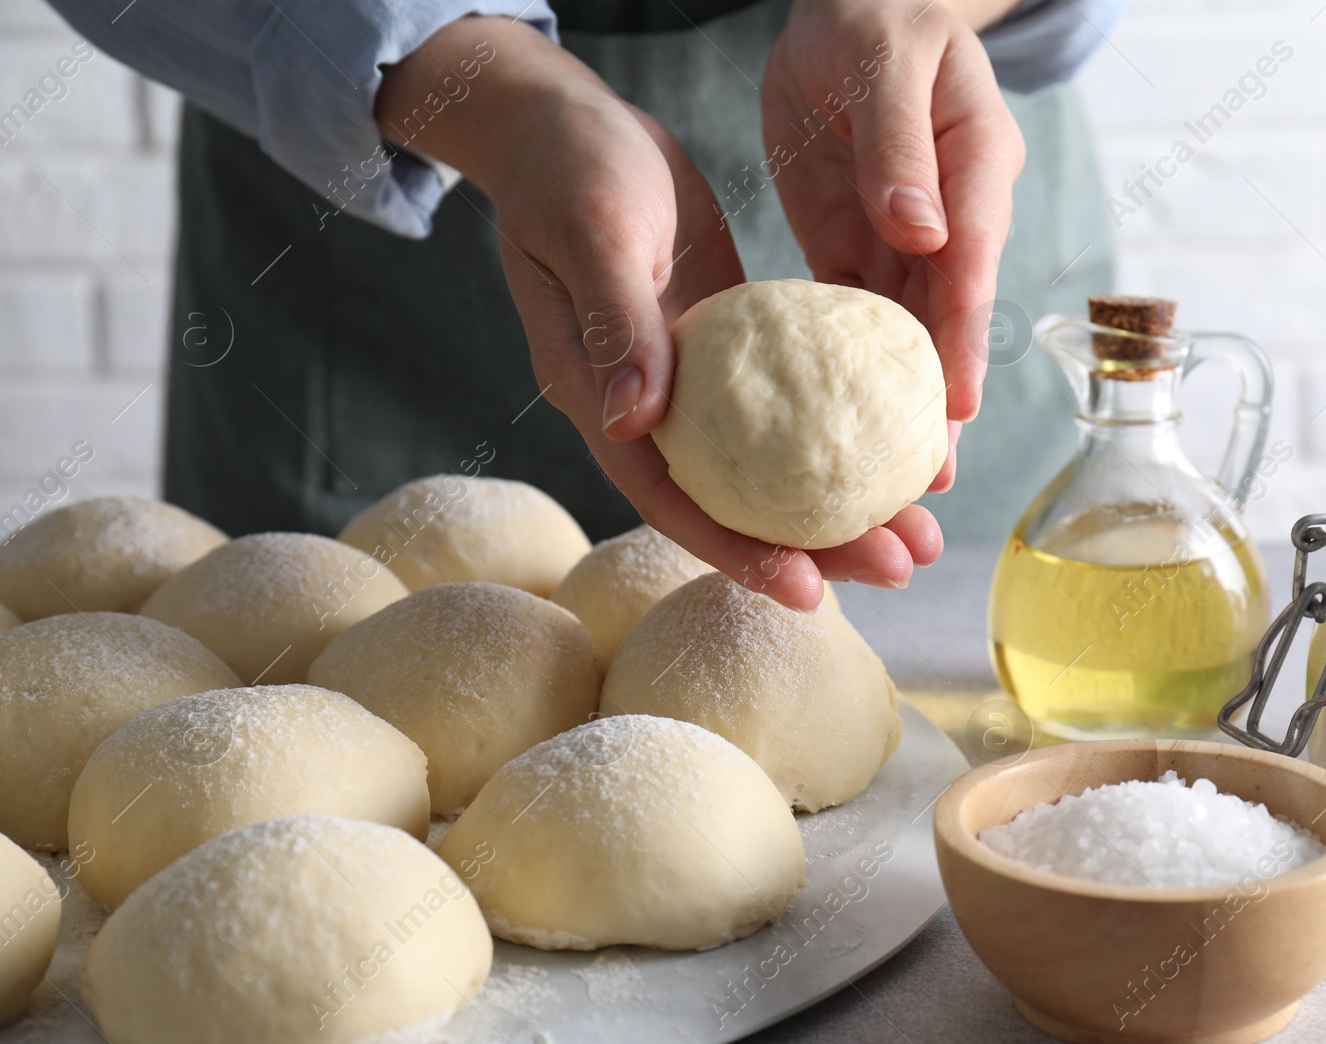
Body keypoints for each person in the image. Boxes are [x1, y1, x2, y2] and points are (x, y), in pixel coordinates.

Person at [48, 0, 1121, 610]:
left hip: (907, 167)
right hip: (384, 192)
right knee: (329, 701)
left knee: (946, 748)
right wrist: (500, 100)